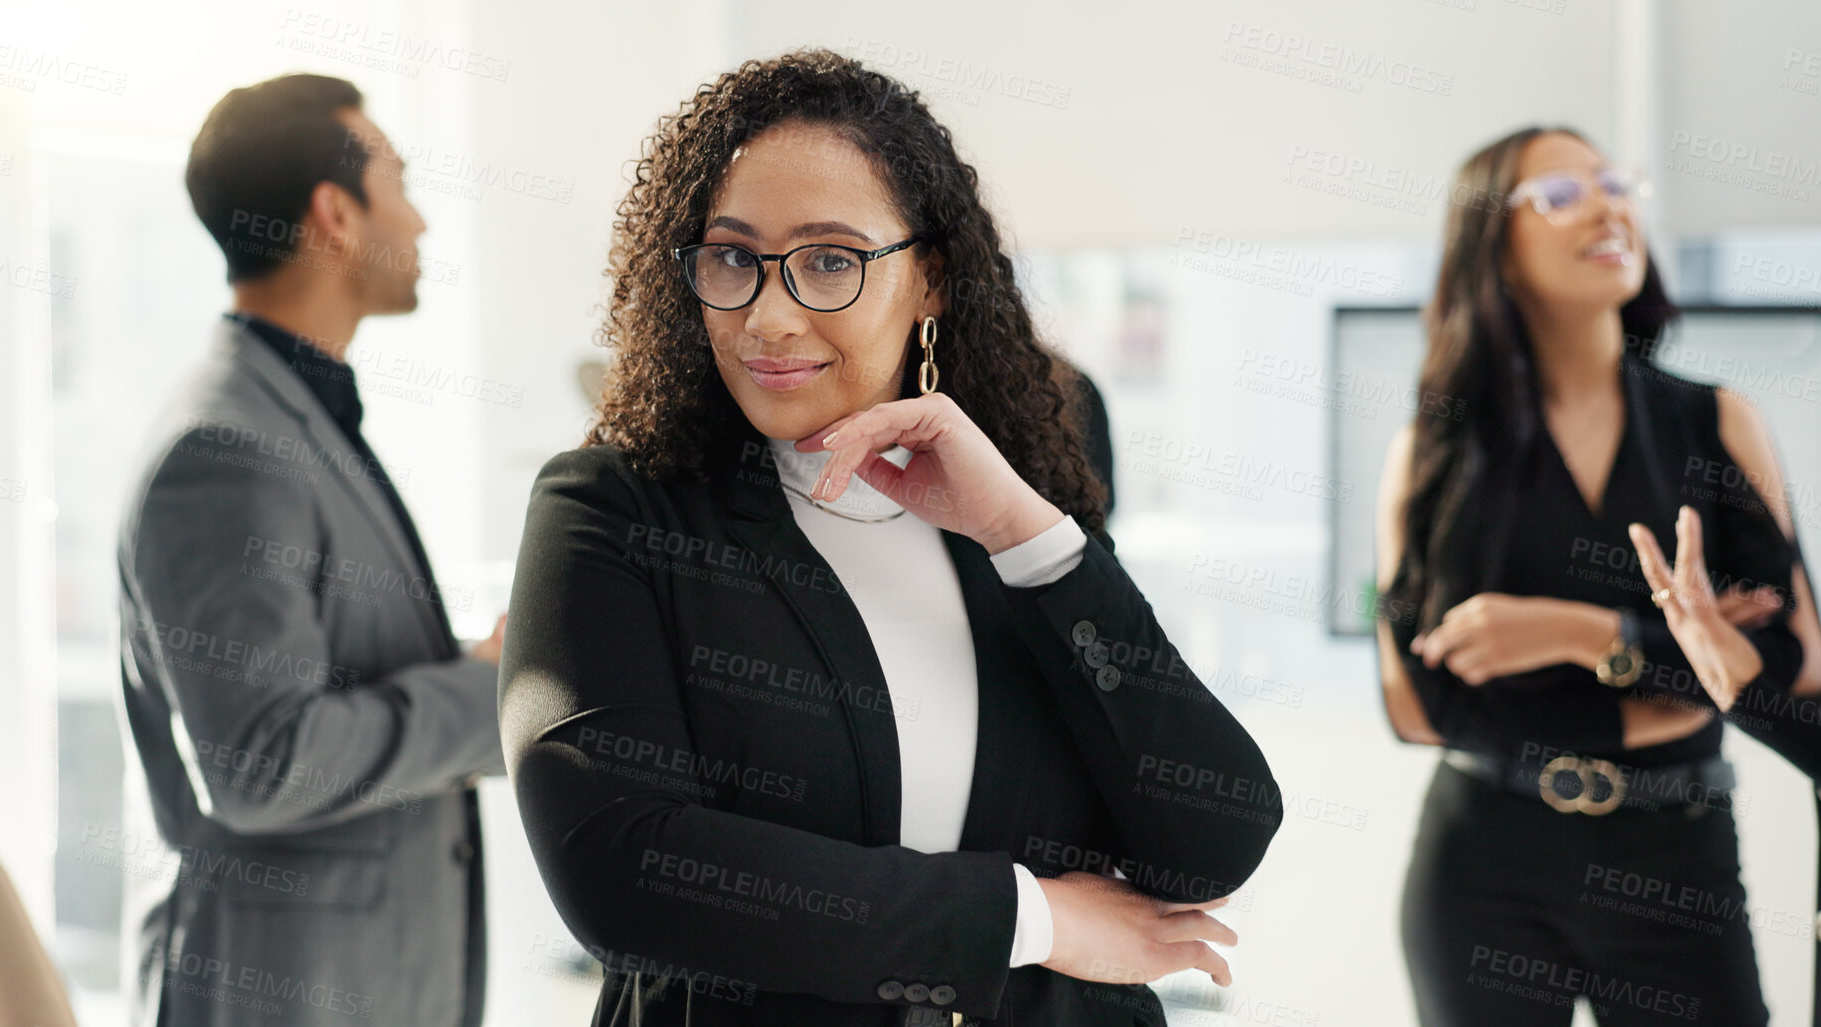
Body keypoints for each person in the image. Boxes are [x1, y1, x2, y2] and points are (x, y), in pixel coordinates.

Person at [499, 50, 1280, 1026]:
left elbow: (1214, 835)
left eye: (831, 260)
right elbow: (624, 868)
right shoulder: (614, 507)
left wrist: (1027, 535)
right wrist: (1029, 918)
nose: (770, 316)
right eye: (734, 258)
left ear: (931, 281)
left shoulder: (1024, 486)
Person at [1376, 125, 1821, 1026]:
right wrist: (1687, 667)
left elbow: (1795, 667)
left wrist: (1572, 635)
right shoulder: (1431, 448)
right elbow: (1421, 705)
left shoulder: (1719, 423)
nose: (1608, 202)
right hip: (1482, 864)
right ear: (1487, 244)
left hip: (1679, 860)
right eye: (1561, 193)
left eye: (1615, 182)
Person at [116, 73, 507, 1027]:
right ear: (334, 213)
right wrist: (497, 688)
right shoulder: (226, 447)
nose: (418, 222)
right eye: (399, 184)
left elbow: (321, 675)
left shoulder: (282, 413)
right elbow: (262, 759)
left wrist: (469, 664)